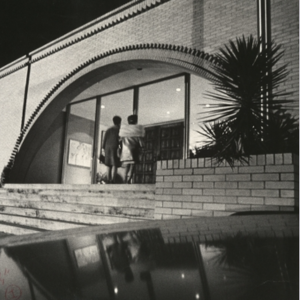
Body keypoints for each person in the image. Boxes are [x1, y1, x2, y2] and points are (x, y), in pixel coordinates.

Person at [119, 114, 144, 183]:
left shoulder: (124, 130)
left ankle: (124, 180)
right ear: (136, 121)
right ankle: (129, 180)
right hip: (133, 151)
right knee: (132, 166)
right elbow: (141, 143)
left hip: (125, 152)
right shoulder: (137, 130)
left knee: (127, 166)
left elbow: (120, 140)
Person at [101, 116, 122, 183]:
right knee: (115, 164)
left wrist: (104, 148)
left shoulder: (108, 130)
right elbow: (120, 140)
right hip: (115, 147)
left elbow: (104, 141)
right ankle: (113, 180)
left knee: (109, 165)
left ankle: (108, 180)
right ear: (119, 122)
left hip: (107, 148)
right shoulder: (119, 129)